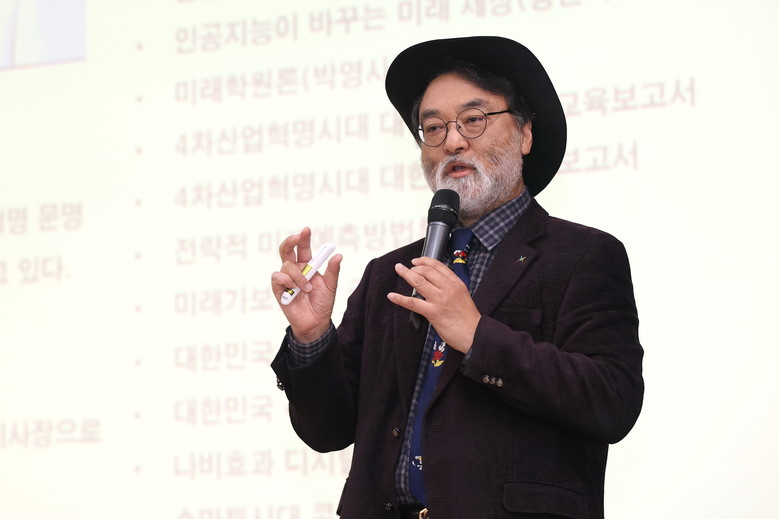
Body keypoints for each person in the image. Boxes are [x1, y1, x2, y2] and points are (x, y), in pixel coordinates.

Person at [270, 36, 643, 519]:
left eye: (474, 119)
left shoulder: (582, 256)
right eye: (433, 127)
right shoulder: (390, 273)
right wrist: (312, 336)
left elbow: (612, 401)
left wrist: (476, 334)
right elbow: (327, 431)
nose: (452, 141)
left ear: (525, 135)